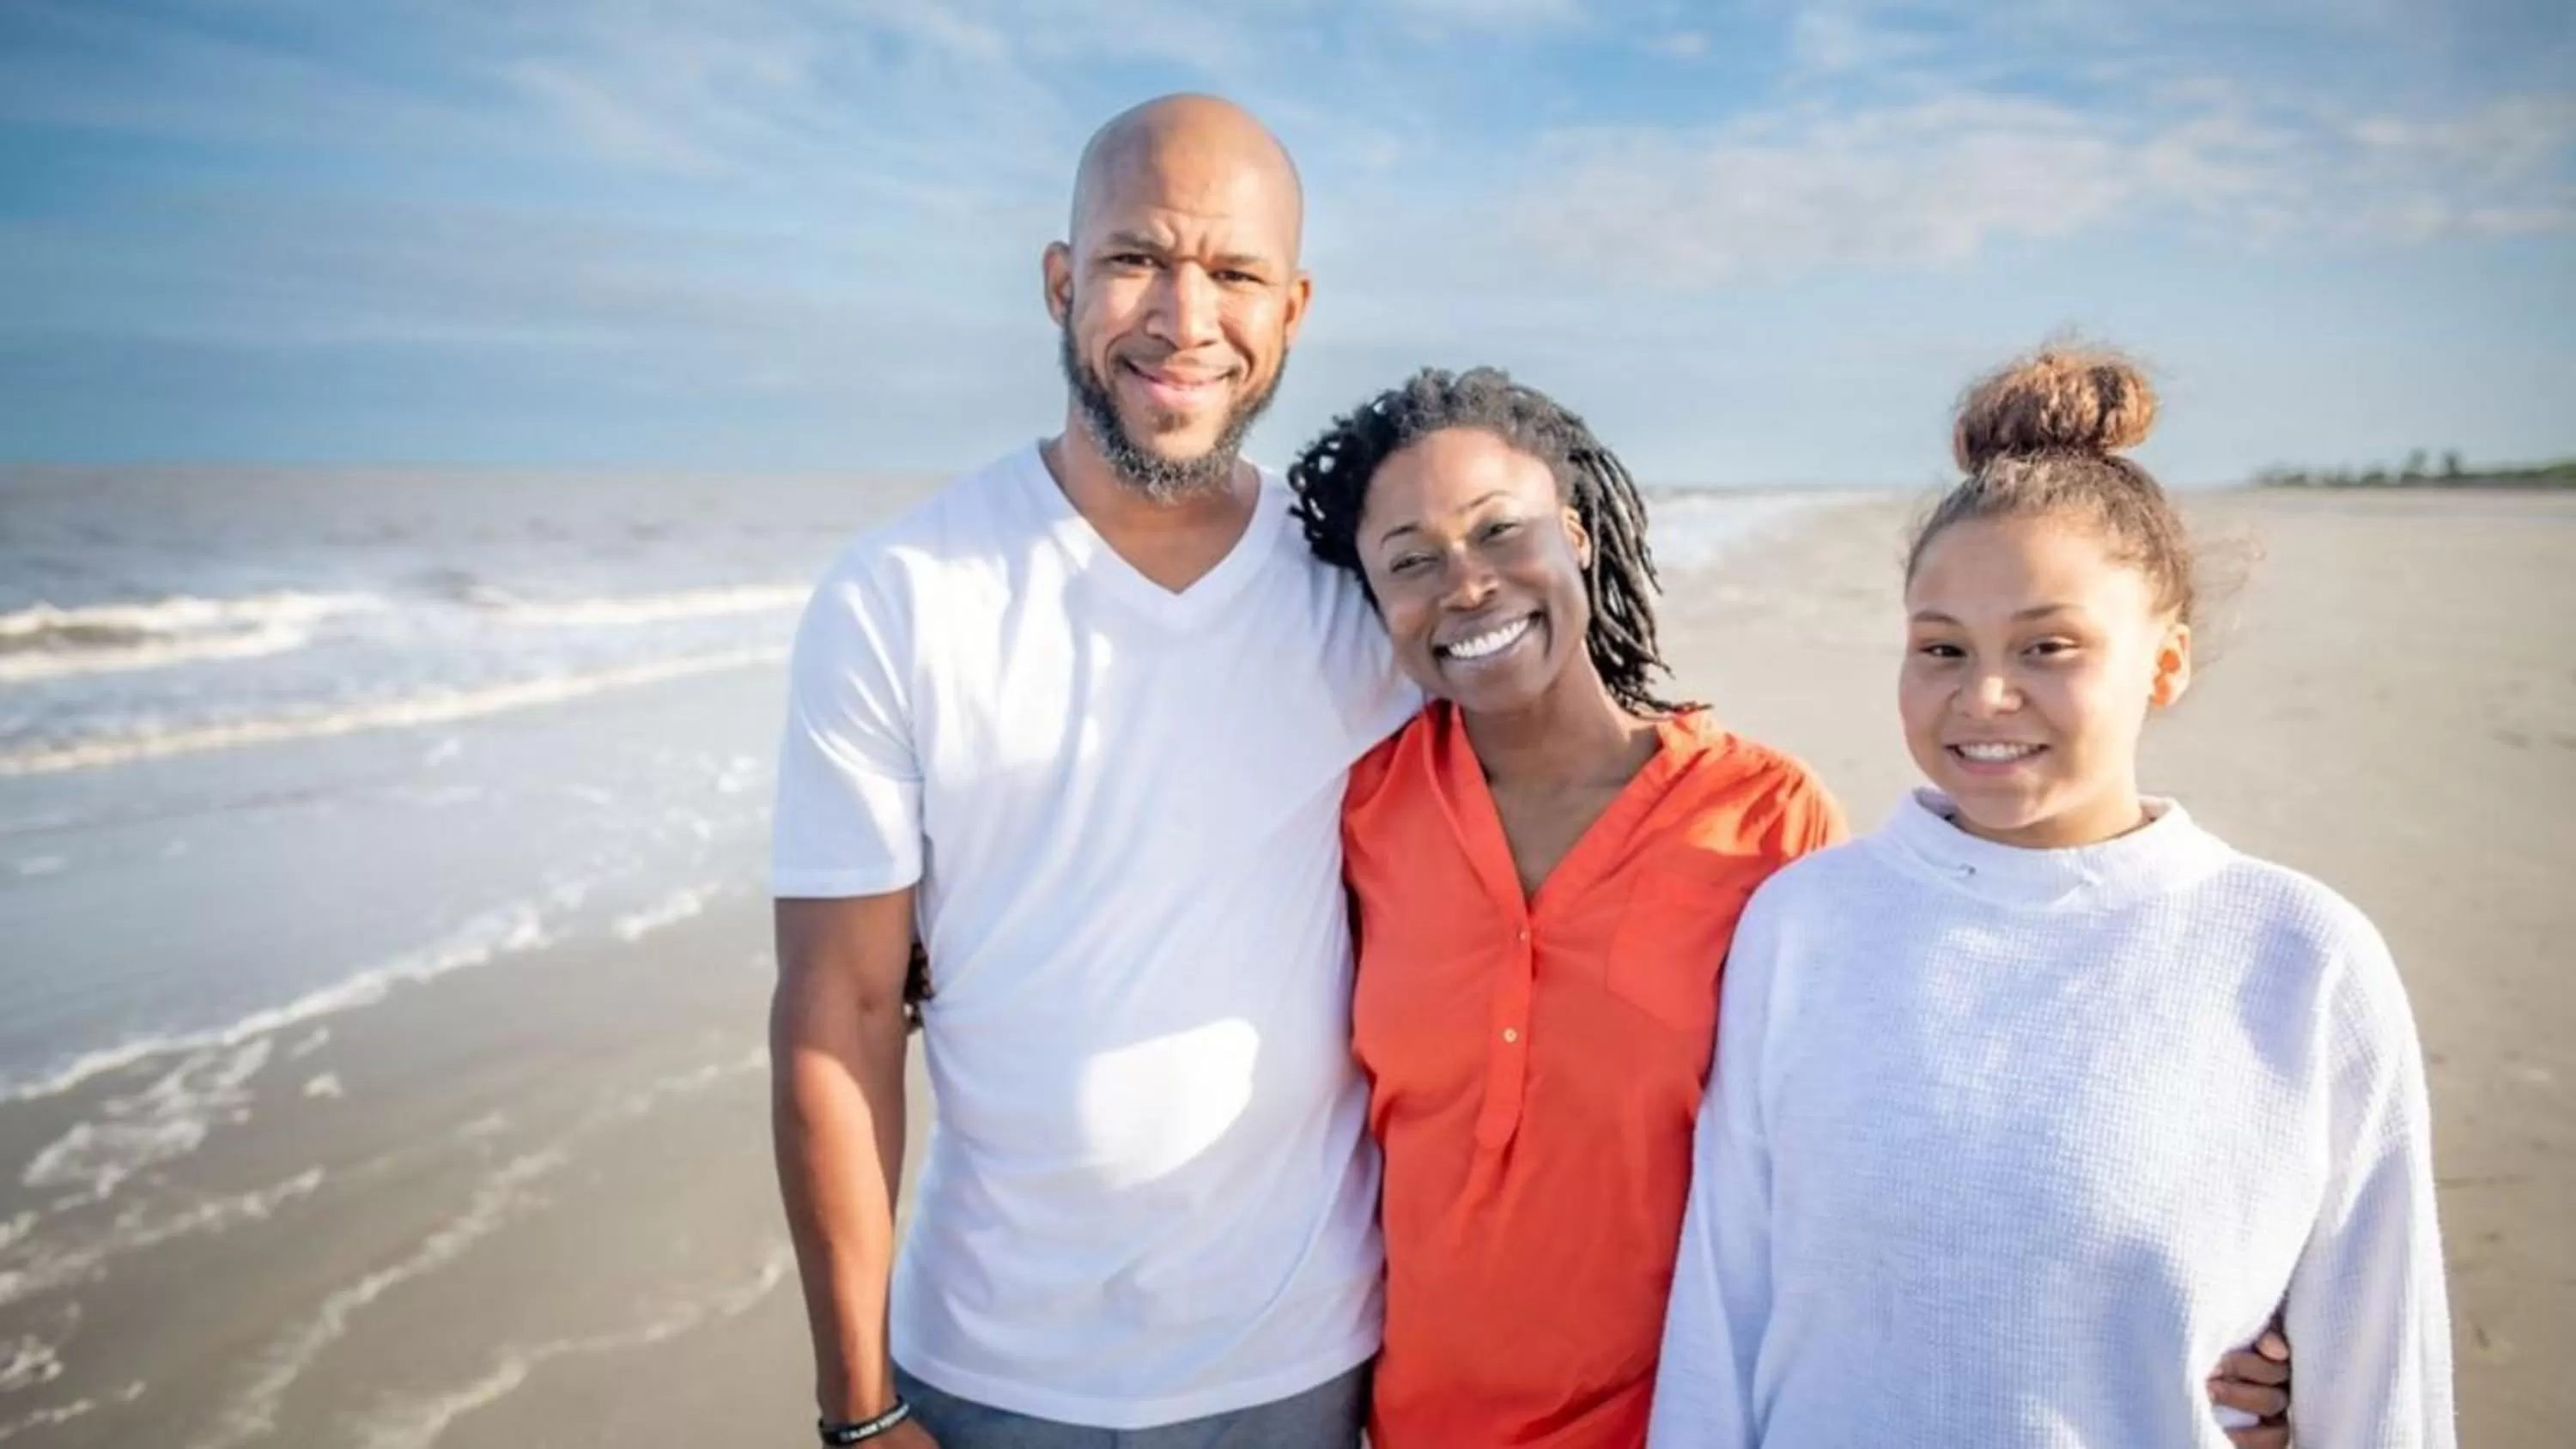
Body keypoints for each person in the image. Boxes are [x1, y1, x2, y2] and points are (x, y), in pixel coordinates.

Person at [1285, 365, 2300, 1448]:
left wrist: (2198, 1310)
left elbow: (1899, 1124)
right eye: (1411, 560)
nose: (1469, 582)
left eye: (1500, 530)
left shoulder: (1763, 817)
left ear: (1578, 536)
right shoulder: (1360, 810)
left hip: (1696, 1422)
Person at [1646, 348, 2454, 1446]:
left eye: (2049, 645)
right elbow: (1723, 1307)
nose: (1984, 693)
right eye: (1942, 646)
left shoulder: (2300, 958)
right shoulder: (1804, 925)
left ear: (2163, 665)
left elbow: (2382, 1374)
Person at [766, 94, 1413, 1447]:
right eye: (1137, 260)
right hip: (987, 1369)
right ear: (1063, 283)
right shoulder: (901, 595)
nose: (1185, 317)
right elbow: (841, 1011)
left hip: (1308, 1359)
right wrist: (859, 1410)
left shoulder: (1367, 592)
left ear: (1290, 311)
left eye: (1233, 273)